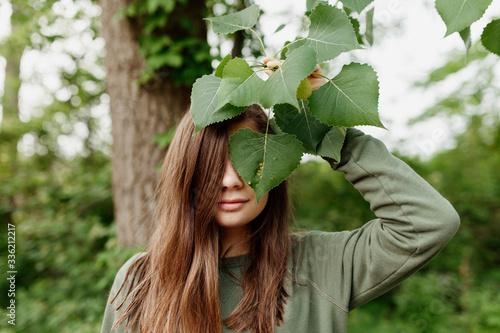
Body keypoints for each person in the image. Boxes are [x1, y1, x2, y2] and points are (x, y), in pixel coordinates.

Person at [100, 58, 460, 333]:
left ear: (275, 168)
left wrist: (322, 123)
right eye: (213, 164)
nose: (229, 180)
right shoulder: (140, 280)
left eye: (247, 158)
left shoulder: (321, 265)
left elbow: (428, 223)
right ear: (188, 173)